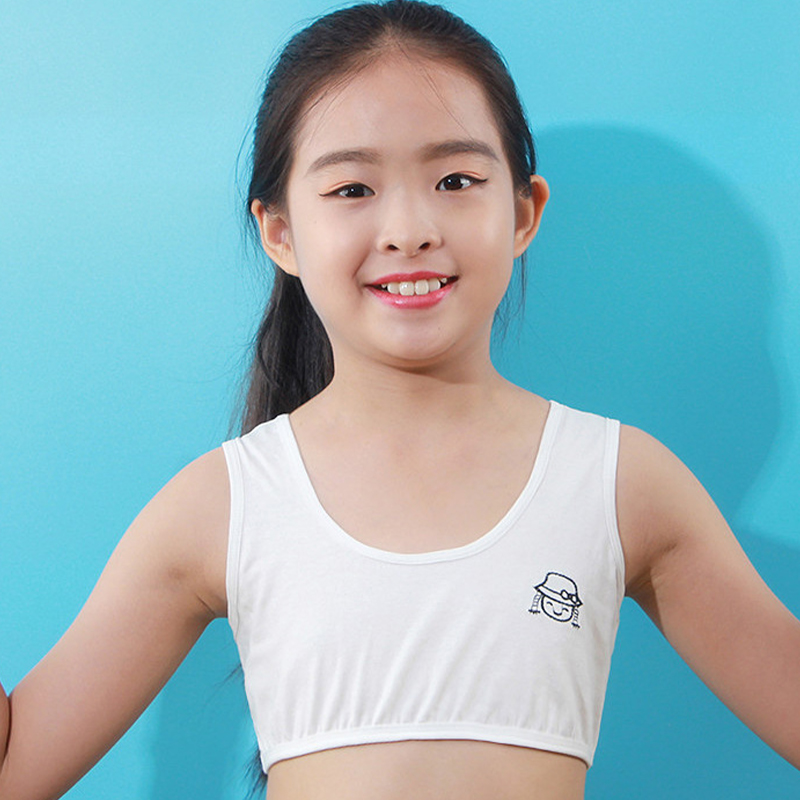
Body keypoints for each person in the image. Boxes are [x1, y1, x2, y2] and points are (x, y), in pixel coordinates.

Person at [1, 1, 798, 798]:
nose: (409, 229)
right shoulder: (225, 502)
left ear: (523, 213)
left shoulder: (620, 481)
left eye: (456, 180)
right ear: (281, 233)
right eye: (352, 188)